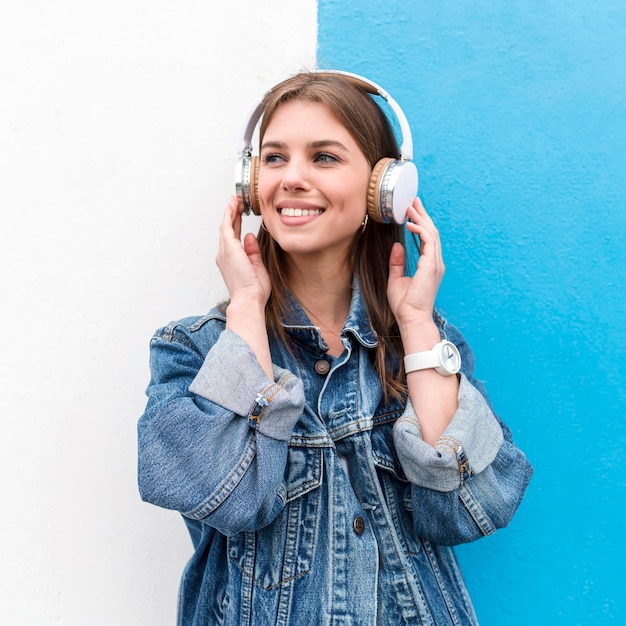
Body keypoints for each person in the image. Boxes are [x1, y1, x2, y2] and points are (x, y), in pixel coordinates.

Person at [137, 70, 533, 626]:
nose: (292, 178)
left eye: (324, 157)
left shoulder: (426, 347)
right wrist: (247, 307)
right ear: (249, 184)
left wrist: (417, 325)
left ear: (386, 188)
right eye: (274, 159)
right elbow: (223, 494)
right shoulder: (191, 351)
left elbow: (472, 511)